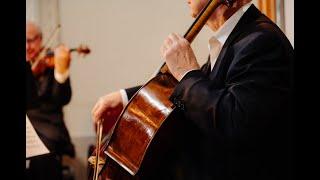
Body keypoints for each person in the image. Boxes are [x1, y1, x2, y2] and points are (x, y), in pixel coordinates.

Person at [92, 0, 294, 179]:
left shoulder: (262, 41)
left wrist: (187, 73)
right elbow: (199, 92)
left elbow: (234, 122)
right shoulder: (235, 39)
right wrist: (125, 97)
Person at [26, 21, 75, 180]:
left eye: (30, 40)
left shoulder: (53, 62)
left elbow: (63, 98)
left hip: (49, 130)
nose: (27, 47)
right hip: (28, 130)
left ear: (40, 39)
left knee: (42, 156)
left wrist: (61, 72)